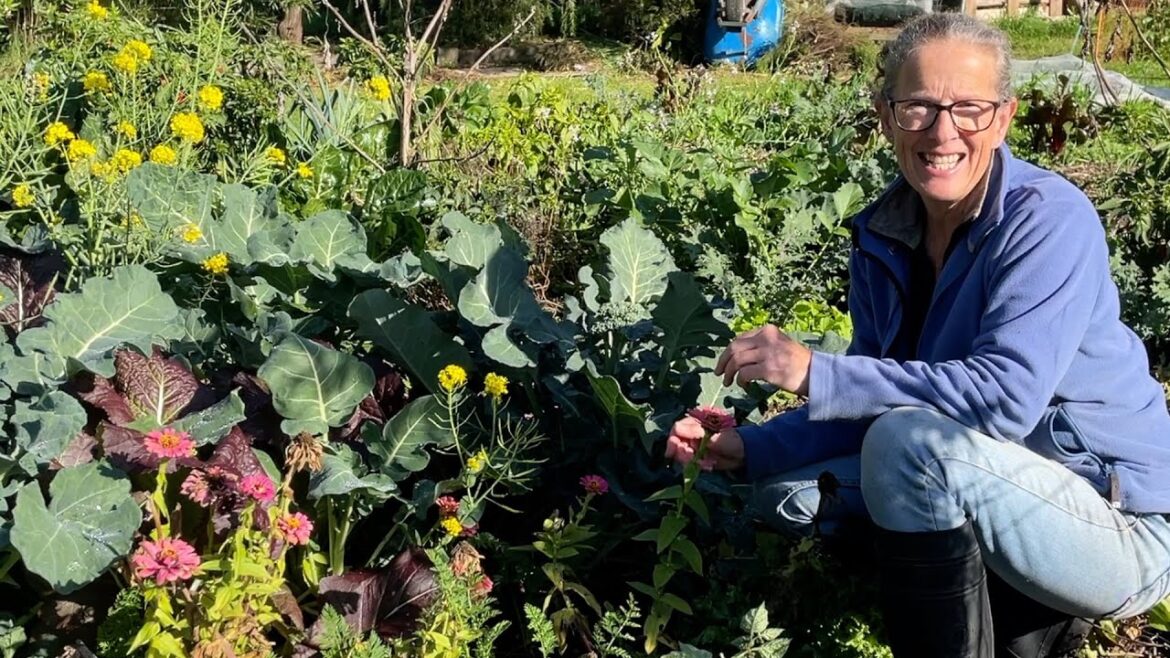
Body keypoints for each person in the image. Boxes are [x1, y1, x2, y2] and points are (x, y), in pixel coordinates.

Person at [665, 13, 1170, 658]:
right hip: (992, 479)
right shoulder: (884, 233)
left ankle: (1015, 616)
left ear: (1005, 117)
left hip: (1114, 520)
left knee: (907, 446)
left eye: (970, 109)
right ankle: (992, 601)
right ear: (885, 115)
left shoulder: (1048, 223)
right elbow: (872, 400)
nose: (942, 132)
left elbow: (1004, 400)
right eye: (919, 107)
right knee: (784, 493)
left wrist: (816, 372)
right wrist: (747, 446)